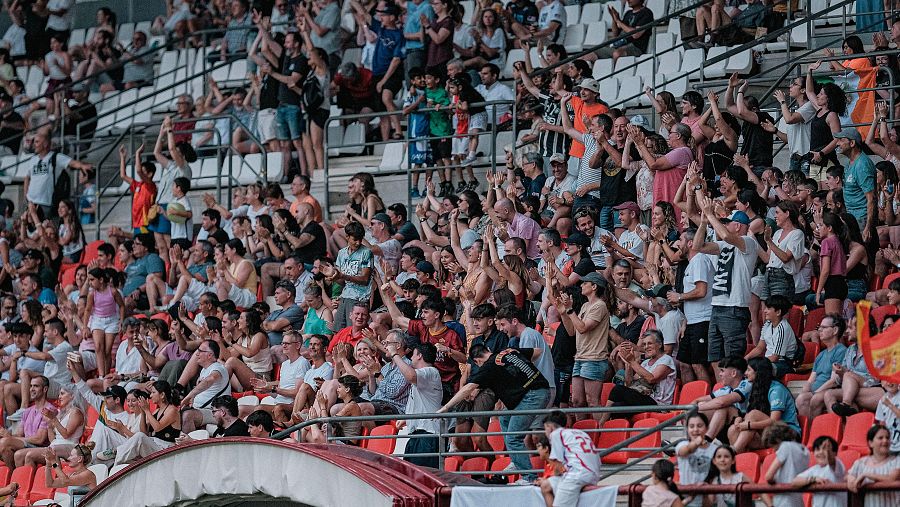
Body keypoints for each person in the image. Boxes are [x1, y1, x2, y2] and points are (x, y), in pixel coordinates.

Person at [439, 344, 551, 483]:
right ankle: (517, 461)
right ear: (488, 351)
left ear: (477, 361)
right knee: (504, 416)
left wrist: (447, 407)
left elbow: (468, 388)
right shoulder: (508, 351)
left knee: (513, 437)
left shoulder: (488, 366)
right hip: (539, 389)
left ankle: (529, 478)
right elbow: (538, 352)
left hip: (533, 396)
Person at [388, 341, 442, 469]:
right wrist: (408, 419)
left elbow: (410, 375)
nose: (411, 357)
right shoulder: (425, 375)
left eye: (413, 354)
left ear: (419, 356)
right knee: (411, 477)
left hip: (428, 436)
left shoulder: (431, 371)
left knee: (422, 478)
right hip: (418, 435)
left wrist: (394, 354)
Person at [539, 410, 601, 506]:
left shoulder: (556, 434)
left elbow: (558, 467)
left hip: (577, 475)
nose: (545, 433)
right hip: (593, 474)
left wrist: (547, 477)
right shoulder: (579, 433)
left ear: (549, 427)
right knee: (546, 486)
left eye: (545, 429)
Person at [23, 132, 92, 217]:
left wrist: (82, 165)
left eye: (37, 142)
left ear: (45, 144)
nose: (34, 145)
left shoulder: (56, 157)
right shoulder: (32, 159)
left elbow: (72, 163)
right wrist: (26, 196)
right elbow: (27, 177)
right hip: (31, 203)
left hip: (45, 203)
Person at [180, 340, 231, 433]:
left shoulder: (218, 367)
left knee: (188, 415)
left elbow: (210, 379)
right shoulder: (204, 370)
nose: (197, 354)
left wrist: (190, 395)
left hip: (216, 412)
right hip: (202, 409)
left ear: (210, 355)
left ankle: (189, 446)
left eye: (200, 351)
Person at [846, 424, 900, 506]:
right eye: (880, 438)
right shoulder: (860, 463)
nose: (885, 441)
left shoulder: (897, 461)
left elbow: (892, 478)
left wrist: (866, 475)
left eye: (887, 438)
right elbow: (847, 476)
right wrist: (850, 479)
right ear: (871, 443)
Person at [746, 295, 797, 378]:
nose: (765, 311)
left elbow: (775, 357)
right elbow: (759, 348)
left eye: (768, 308)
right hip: (768, 361)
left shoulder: (783, 328)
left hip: (783, 363)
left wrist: (757, 363)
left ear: (778, 312)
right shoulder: (767, 325)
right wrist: (746, 358)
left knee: (757, 370)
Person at [675, 413, 720, 507]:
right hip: (685, 499)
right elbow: (685, 451)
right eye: (691, 426)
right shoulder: (682, 445)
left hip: (707, 499)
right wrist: (696, 443)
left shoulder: (715, 450)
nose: (695, 429)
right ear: (687, 429)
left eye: (699, 426)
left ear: (707, 428)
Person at [762, 421, 809, 507]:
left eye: (774, 447)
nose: (774, 451)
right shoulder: (804, 450)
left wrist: (773, 481)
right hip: (798, 501)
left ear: (777, 440)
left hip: (783, 501)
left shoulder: (785, 446)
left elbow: (768, 476)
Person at [792, 436, 847, 507]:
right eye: (817, 449)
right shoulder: (814, 469)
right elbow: (795, 482)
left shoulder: (838, 465)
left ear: (834, 453)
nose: (821, 452)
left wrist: (828, 452)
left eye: (824, 449)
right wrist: (813, 480)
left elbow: (831, 460)